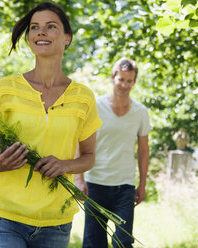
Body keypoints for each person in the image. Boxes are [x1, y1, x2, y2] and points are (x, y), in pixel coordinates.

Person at [0, 2, 102, 248]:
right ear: (29, 38)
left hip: (55, 221)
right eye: (34, 27)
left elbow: (88, 157)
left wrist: (64, 165)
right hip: (4, 216)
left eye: (50, 27)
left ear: (67, 38)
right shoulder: (6, 89)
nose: (41, 32)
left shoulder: (83, 97)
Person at [75, 58, 151, 248]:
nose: (125, 85)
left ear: (134, 82)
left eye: (129, 81)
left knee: (123, 241)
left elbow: (143, 149)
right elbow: (80, 141)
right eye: (121, 79)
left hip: (124, 187)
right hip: (95, 184)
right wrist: (79, 179)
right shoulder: (95, 106)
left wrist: (142, 184)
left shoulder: (140, 112)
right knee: (94, 243)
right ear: (113, 77)